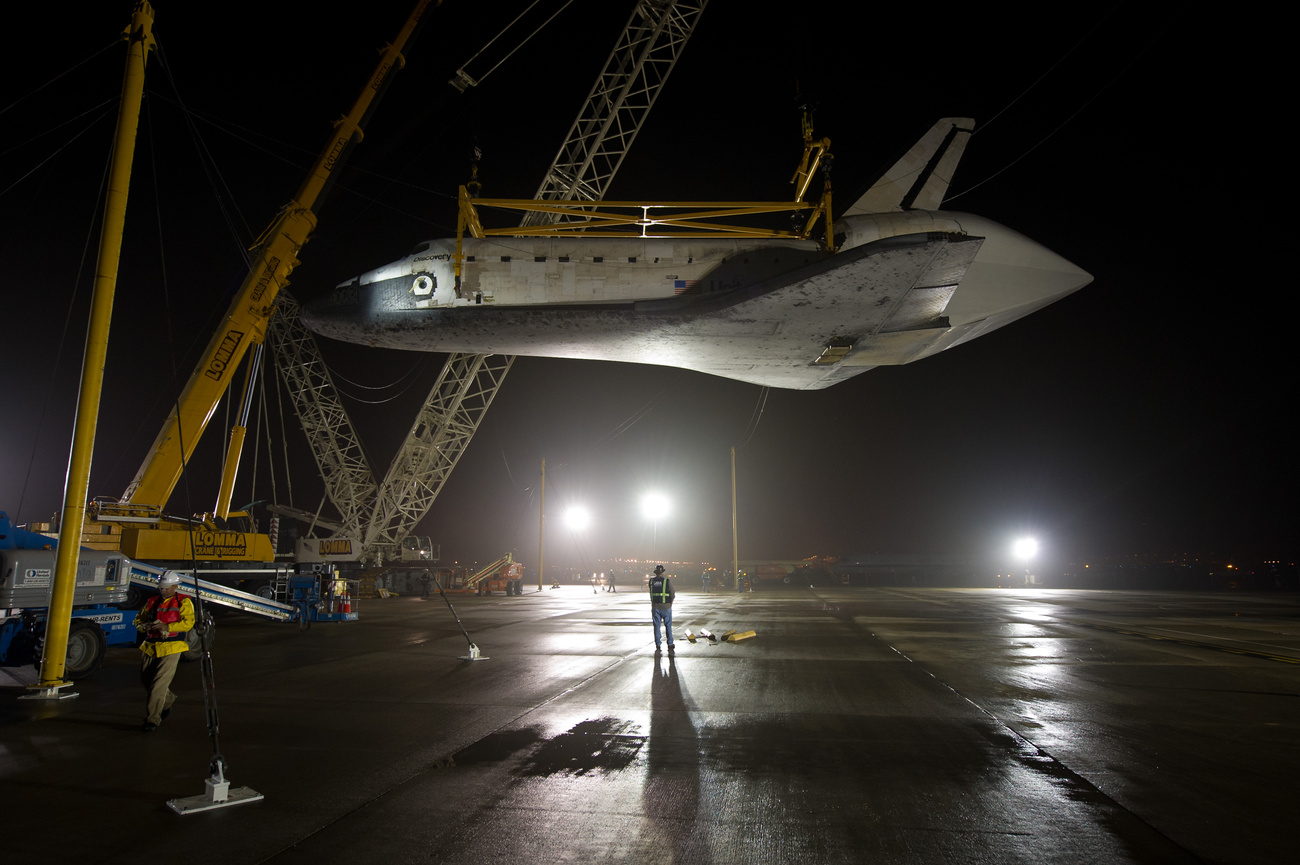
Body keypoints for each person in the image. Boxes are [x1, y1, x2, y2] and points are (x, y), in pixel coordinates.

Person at [133, 572, 195, 732]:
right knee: (146, 681)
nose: (163, 591)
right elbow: (138, 620)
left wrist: (167, 627)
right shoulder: (152, 602)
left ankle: (152, 719)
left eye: (166, 588)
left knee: (158, 685)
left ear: (175, 586)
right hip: (150, 646)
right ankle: (168, 700)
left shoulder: (183, 601)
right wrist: (144, 626)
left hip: (172, 647)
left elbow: (188, 623)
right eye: (161, 588)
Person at [649, 564, 675, 653]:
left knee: (656, 626)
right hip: (666, 606)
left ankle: (658, 644)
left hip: (655, 606)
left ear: (656, 572)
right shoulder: (667, 581)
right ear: (662, 572)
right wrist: (670, 604)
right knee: (668, 625)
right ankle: (670, 643)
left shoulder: (651, 581)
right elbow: (672, 594)